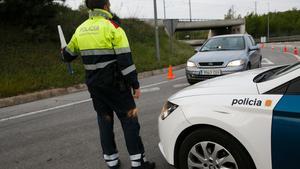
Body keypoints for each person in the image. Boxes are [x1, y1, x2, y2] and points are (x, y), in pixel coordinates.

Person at [62, 0, 155, 168]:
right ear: (105, 6)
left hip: (95, 87)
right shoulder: (113, 27)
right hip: (115, 85)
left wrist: (63, 52)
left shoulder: (80, 29)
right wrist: (135, 85)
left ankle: (112, 162)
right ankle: (138, 162)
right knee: (129, 120)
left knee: (104, 121)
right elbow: (125, 61)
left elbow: (68, 55)